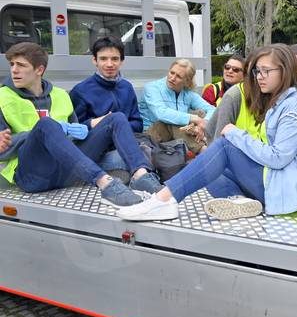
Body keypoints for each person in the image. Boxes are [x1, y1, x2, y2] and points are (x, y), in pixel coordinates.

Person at [117, 44, 297, 222]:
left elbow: (278, 158)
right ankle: (239, 202)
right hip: (278, 182)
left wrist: (236, 134)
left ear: (285, 71)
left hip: (287, 191)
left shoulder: (293, 107)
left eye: (265, 71)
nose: (259, 77)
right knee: (210, 165)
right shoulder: (281, 101)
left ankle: (162, 200)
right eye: (256, 71)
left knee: (223, 147)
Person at [0, 42, 161, 206]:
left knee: (117, 118)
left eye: (20, 65)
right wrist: (47, 131)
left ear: (39, 70)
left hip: (68, 170)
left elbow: (76, 136)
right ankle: (106, 184)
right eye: (12, 64)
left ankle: (141, 175)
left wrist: (83, 127)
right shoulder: (2, 97)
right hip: (33, 176)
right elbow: (2, 151)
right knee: (46, 125)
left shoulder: (61, 95)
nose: (14, 70)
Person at [69, 36, 145, 183]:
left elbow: (138, 124)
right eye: (103, 59)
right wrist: (102, 125)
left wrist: (119, 128)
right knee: (132, 158)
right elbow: (73, 132)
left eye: (115, 59)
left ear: (121, 61)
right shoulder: (81, 91)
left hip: (125, 145)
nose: (109, 64)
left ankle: (122, 174)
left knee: (148, 152)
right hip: (96, 153)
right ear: (94, 60)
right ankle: (119, 174)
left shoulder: (127, 87)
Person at [139, 59, 215, 155]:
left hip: (176, 134)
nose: (172, 78)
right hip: (152, 136)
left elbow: (212, 109)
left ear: (187, 81)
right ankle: (203, 150)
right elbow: (161, 113)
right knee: (174, 120)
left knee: (201, 113)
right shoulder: (152, 88)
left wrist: (202, 125)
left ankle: (212, 144)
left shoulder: (188, 93)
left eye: (178, 76)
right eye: (172, 73)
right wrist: (194, 119)